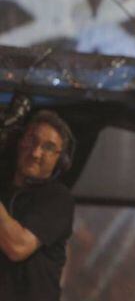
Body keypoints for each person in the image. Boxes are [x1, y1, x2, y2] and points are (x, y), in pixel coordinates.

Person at [0, 110, 75, 301]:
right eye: (32, 140)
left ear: (60, 159)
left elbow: (18, 247)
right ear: (19, 142)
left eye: (48, 147)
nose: (35, 153)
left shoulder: (58, 198)